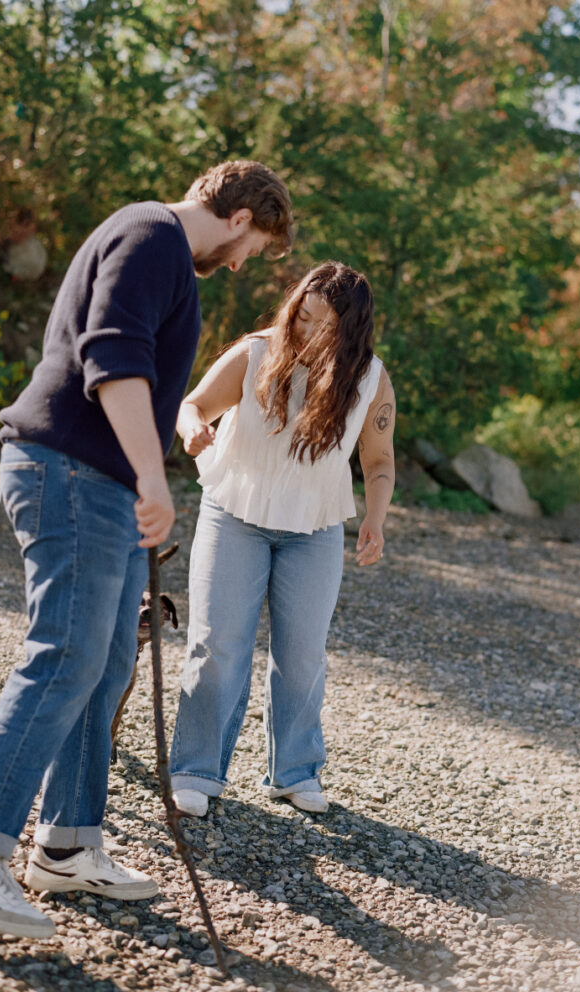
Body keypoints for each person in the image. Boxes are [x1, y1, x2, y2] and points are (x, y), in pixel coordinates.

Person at [0, 160, 293, 938]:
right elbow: (113, 358)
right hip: (72, 472)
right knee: (64, 655)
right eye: (254, 246)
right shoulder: (150, 233)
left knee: (108, 662)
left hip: (108, 487)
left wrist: (140, 487)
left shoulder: (161, 251)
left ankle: (66, 841)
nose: (244, 264)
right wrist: (153, 480)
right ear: (239, 217)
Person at [169, 260, 395, 818]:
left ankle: (293, 772)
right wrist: (193, 428)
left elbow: (380, 459)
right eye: (302, 318)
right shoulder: (254, 352)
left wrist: (376, 518)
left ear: (351, 331)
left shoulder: (369, 377)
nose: (307, 334)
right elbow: (192, 403)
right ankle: (195, 770)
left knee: (302, 655)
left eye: (324, 326)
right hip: (234, 515)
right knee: (218, 644)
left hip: (315, 529)